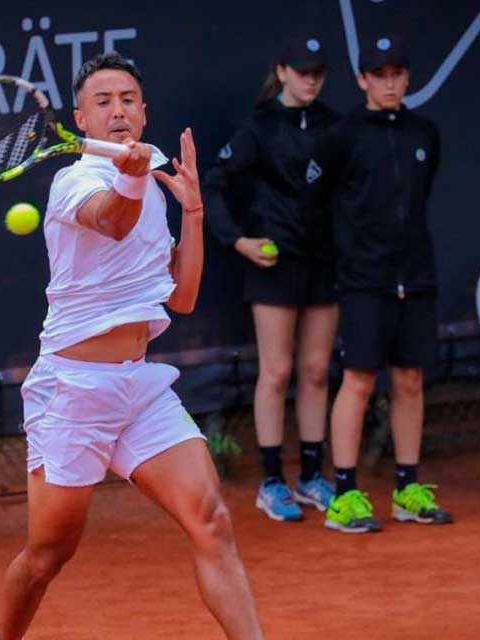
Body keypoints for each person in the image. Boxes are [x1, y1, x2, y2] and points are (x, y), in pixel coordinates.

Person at [0, 53, 264, 640]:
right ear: (80, 120)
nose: (118, 111)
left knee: (211, 520)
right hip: (74, 393)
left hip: (139, 389)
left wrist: (192, 209)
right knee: (48, 556)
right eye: (103, 102)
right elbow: (113, 220)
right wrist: (135, 177)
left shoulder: (155, 192)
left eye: (128, 100)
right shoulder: (75, 182)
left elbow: (184, 297)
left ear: (144, 113)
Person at [307, 36, 455, 534]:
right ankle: (345, 493)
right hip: (363, 279)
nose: (389, 83)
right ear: (362, 80)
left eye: (397, 73)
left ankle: (408, 490)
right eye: (379, 74)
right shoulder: (342, 137)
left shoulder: (424, 134)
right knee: (361, 381)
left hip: (415, 276)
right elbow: (319, 198)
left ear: (407, 78)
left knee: (410, 380)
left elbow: (421, 195)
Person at [202, 37, 340, 522]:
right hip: (272, 265)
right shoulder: (258, 127)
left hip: (324, 265)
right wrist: (238, 241)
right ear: (281, 71)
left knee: (317, 371)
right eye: (302, 71)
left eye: (318, 72)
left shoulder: (334, 126)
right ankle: (271, 482)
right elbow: (213, 184)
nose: (311, 80)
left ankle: (310, 477)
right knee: (277, 372)